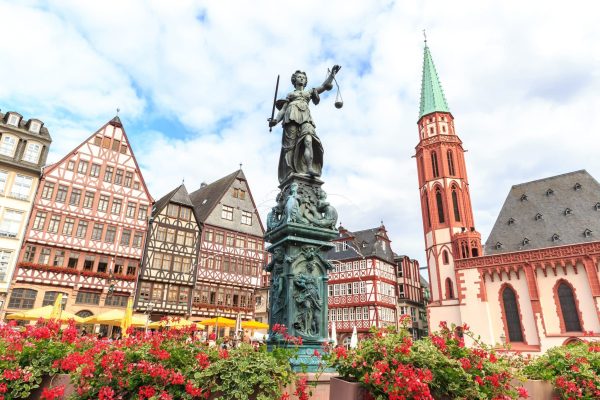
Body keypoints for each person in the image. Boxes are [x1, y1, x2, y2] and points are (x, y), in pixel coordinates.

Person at [269, 65, 341, 183]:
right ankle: (290, 171)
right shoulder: (290, 95)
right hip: (291, 116)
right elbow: (283, 110)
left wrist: (332, 75)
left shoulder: (309, 92)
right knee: (290, 146)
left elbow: (324, 86)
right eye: (299, 77)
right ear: (294, 80)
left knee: (309, 140)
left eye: (303, 77)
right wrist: (275, 121)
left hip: (306, 117)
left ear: (306, 81)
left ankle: (309, 168)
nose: (301, 79)